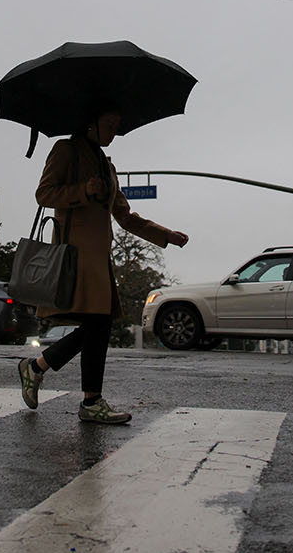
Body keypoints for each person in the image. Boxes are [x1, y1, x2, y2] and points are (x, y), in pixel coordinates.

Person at [16, 107, 188, 424]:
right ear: (90, 123)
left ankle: (40, 368)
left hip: (99, 261)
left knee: (98, 327)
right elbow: (44, 193)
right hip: (74, 259)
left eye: (117, 125)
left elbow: (124, 216)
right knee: (98, 326)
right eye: (110, 124)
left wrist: (165, 235)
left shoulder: (108, 167)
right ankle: (88, 399)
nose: (114, 131)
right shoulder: (65, 150)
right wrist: (84, 190)